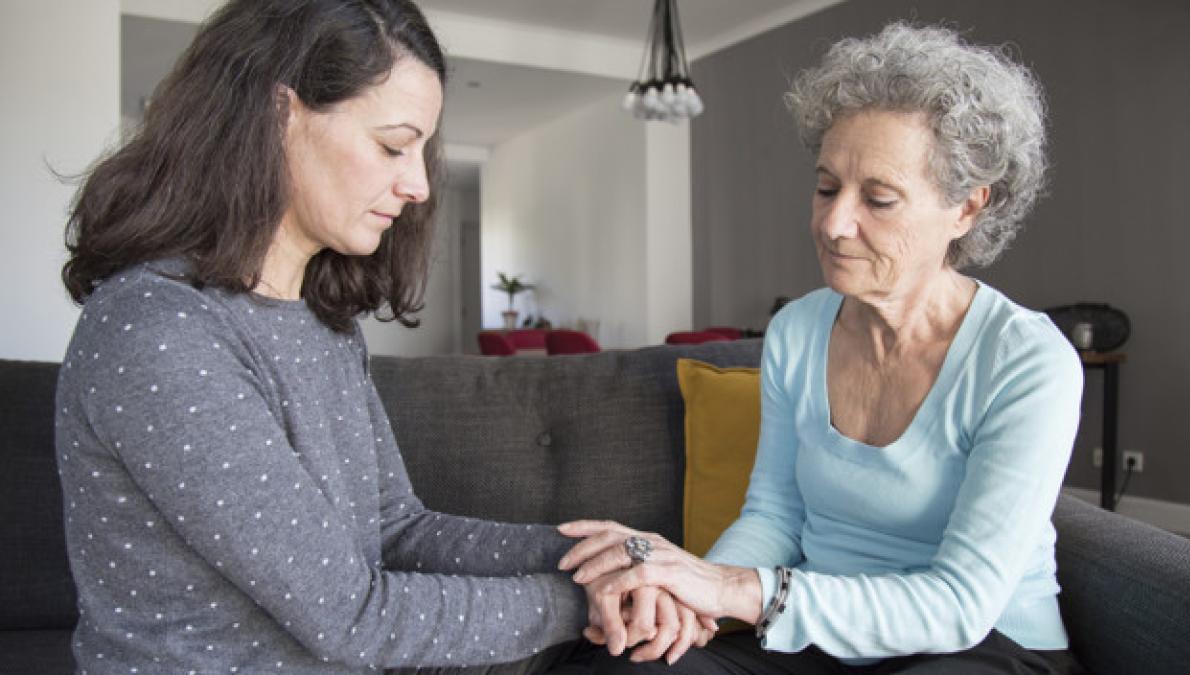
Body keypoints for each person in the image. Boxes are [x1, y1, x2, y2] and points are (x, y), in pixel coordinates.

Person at [55, 0, 710, 672]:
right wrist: (585, 600)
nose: (419, 185)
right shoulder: (159, 331)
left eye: (422, 150)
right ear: (279, 115)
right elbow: (352, 617)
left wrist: (608, 558)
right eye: (394, 145)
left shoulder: (322, 321)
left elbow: (396, 530)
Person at [560, 22, 1088, 675]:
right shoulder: (797, 331)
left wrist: (738, 591)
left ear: (966, 209)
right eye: (827, 187)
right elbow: (775, 515)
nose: (834, 224)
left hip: (981, 646)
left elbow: (960, 603)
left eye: (879, 199)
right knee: (625, 664)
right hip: (821, 628)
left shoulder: (1026, 361)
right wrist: (689, 595)